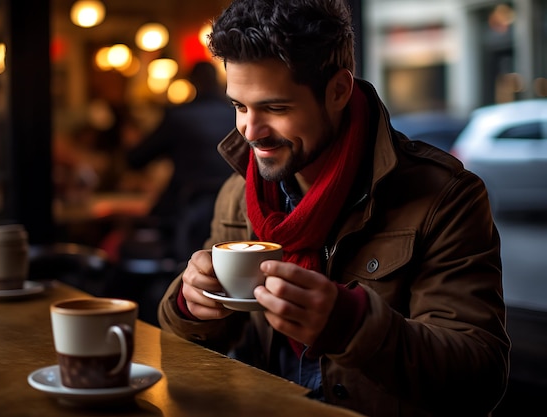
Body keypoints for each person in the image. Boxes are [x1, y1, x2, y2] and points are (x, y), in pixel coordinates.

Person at [157, 1, 510, 416]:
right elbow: (185, 345)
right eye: (239, 106)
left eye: (276, 108)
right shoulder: (240, 193)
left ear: (339, 91)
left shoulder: (444, 196)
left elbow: (479, 377)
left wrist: (353, 325)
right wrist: (190, 304)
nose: (250, 131)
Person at [126, 61, 235, 261]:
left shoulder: (179, 118)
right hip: (236, 210)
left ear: (192, 82)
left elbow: (136, 159)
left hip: (185, 210)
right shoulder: (236, 115)